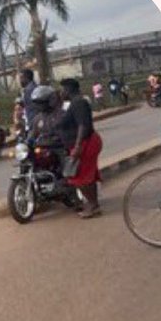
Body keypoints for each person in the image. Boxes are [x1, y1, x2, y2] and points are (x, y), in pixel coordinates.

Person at [58, 78, 103, 218]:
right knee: (88, 175)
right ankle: (93, 204)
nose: (61, 93)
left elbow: (82, 125)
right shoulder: (75, 103)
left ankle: (92, 205)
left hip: (85, 143)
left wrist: (77, 146)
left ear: (68, 90)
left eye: (62, 89)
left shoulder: (78, 103)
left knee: (80, 177)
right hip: (85, 142)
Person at [19, 68, 38, 135]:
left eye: (21, 78)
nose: (20, 80)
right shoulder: (35, 87)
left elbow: (32, 106)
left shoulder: (29, 90)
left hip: (33, 120)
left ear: (26, 78)